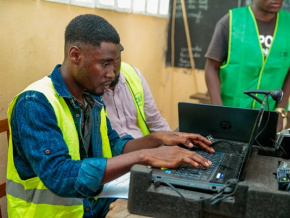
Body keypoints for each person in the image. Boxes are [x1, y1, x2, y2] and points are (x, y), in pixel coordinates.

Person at [6, 14, 215, 218]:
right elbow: (60, 176)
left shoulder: (91, 99)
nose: (112, 74)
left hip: (95, 205)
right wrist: (145, 156)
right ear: (75, 55)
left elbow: (115, 145)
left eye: (114, 64)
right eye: (104, 64)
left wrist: (157, 139)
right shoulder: (34, 103)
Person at [205, 0, 290, 132]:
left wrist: (280, 111)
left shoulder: (288, 24)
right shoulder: (231, 21)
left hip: (268, 117)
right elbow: (211, 67)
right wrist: (219, 111)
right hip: (231, 115)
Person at [102, 58, 171, 138]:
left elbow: (154, 120)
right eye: (105, 64)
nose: (111, 74)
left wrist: (174, 141)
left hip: (144, 145)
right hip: (119, 149)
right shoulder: (89, 90)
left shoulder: (133, 73)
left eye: (116, 60)